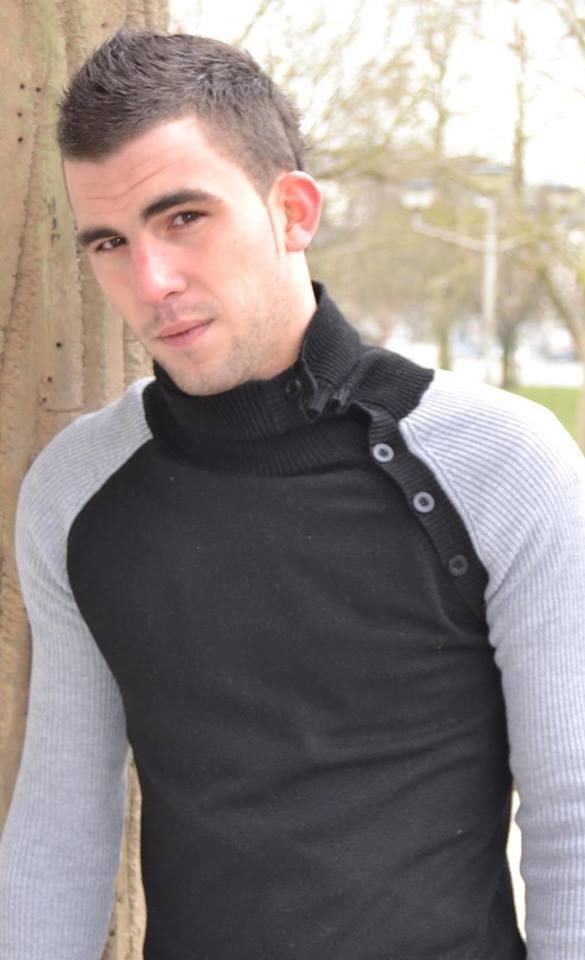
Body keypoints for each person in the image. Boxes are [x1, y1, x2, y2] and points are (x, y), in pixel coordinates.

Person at [0, 28, 584, 960]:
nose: (151, 282)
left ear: (292, 211)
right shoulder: (75, 491)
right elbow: (61, 827)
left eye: (182, 217)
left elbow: (573, 817)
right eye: (110, 241)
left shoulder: (500, 462)